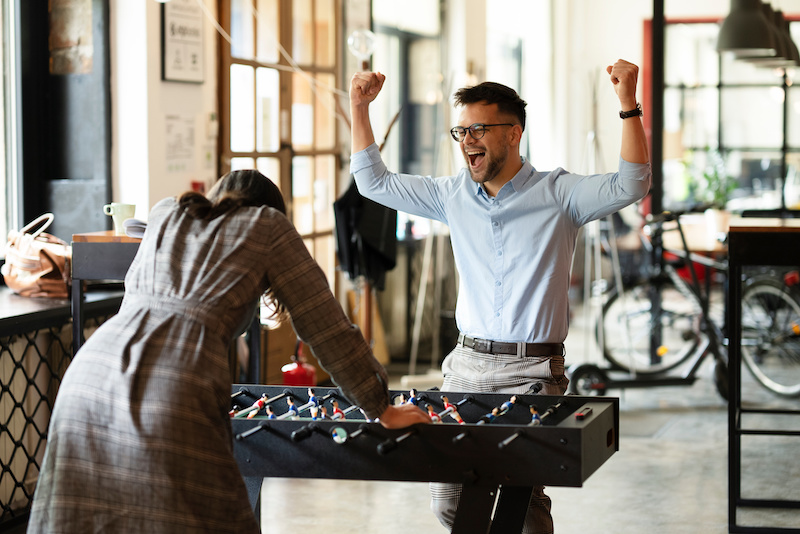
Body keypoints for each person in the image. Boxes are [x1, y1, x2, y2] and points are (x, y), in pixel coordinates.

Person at [27, 169, 430, 533]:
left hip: (89, 375)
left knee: (87, 514)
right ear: (272, 209)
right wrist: (380, 405)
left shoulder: (168, 211)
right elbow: (327, 326)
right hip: (173, 384)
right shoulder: (268, 226)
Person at [350, 60, 651, 533]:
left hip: (532, 374)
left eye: (479, 129)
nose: (467, 140)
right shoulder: (452, 195)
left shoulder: (560, 194)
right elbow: (375, 183)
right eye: (461, 130)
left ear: (513, 134)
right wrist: (359, 108)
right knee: (448, 503)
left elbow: (631, 183)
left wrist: (628, 104)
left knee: (522, 506)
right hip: (466, 367)